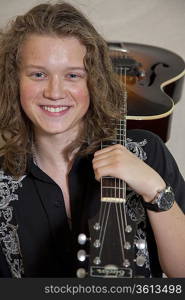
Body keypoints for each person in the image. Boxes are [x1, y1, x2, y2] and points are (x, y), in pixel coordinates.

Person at [0, 1, 185, 279]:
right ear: (15, 81)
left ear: (93, 81)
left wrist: (153, 188)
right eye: (38, 74)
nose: (54, 92)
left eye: (73, 75)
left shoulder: (145, 152)